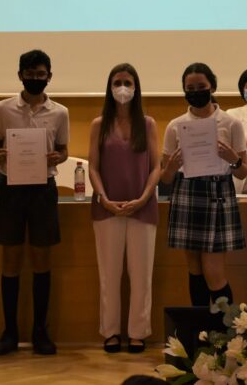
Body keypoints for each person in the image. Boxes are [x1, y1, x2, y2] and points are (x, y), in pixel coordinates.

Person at [0, 49, 69, 356]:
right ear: (20, 75)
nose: (36, 79)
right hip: (10, 188)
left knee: (41, 261)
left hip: (43, 190)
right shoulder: (3, 108)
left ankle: (40, 332)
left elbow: (62, 149)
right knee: (10, 261)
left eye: (41, 74)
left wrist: (57, 157)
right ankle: (9, 332)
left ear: (50, 76)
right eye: (30, 74)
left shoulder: (60, 112)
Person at [160, 62, 247, 306]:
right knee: (195, 269)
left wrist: (233, 160)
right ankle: (200, 333)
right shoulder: (175, 126)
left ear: (212, 86)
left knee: (214, 273)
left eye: (201, 86)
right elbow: (165, 178)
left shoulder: (231, 124)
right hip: (187, 192)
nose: (196, 91)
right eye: (190, 88)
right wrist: (170, 166)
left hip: (218, 193)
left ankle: (225, 335)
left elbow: (243, 173)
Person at [88, 63, 161, 354]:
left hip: (142, 207)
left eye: (127, 82)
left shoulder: (149, 124)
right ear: (109, 87)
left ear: (136, 87)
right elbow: (92, 166)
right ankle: (111, 332)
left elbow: (156, 167)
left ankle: (138, 332)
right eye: (117, 82)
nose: (122, 88)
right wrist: (103, 197)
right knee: (109, 273)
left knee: (142, 274)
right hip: (107, 208)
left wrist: (143, 198)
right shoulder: (98, 124)